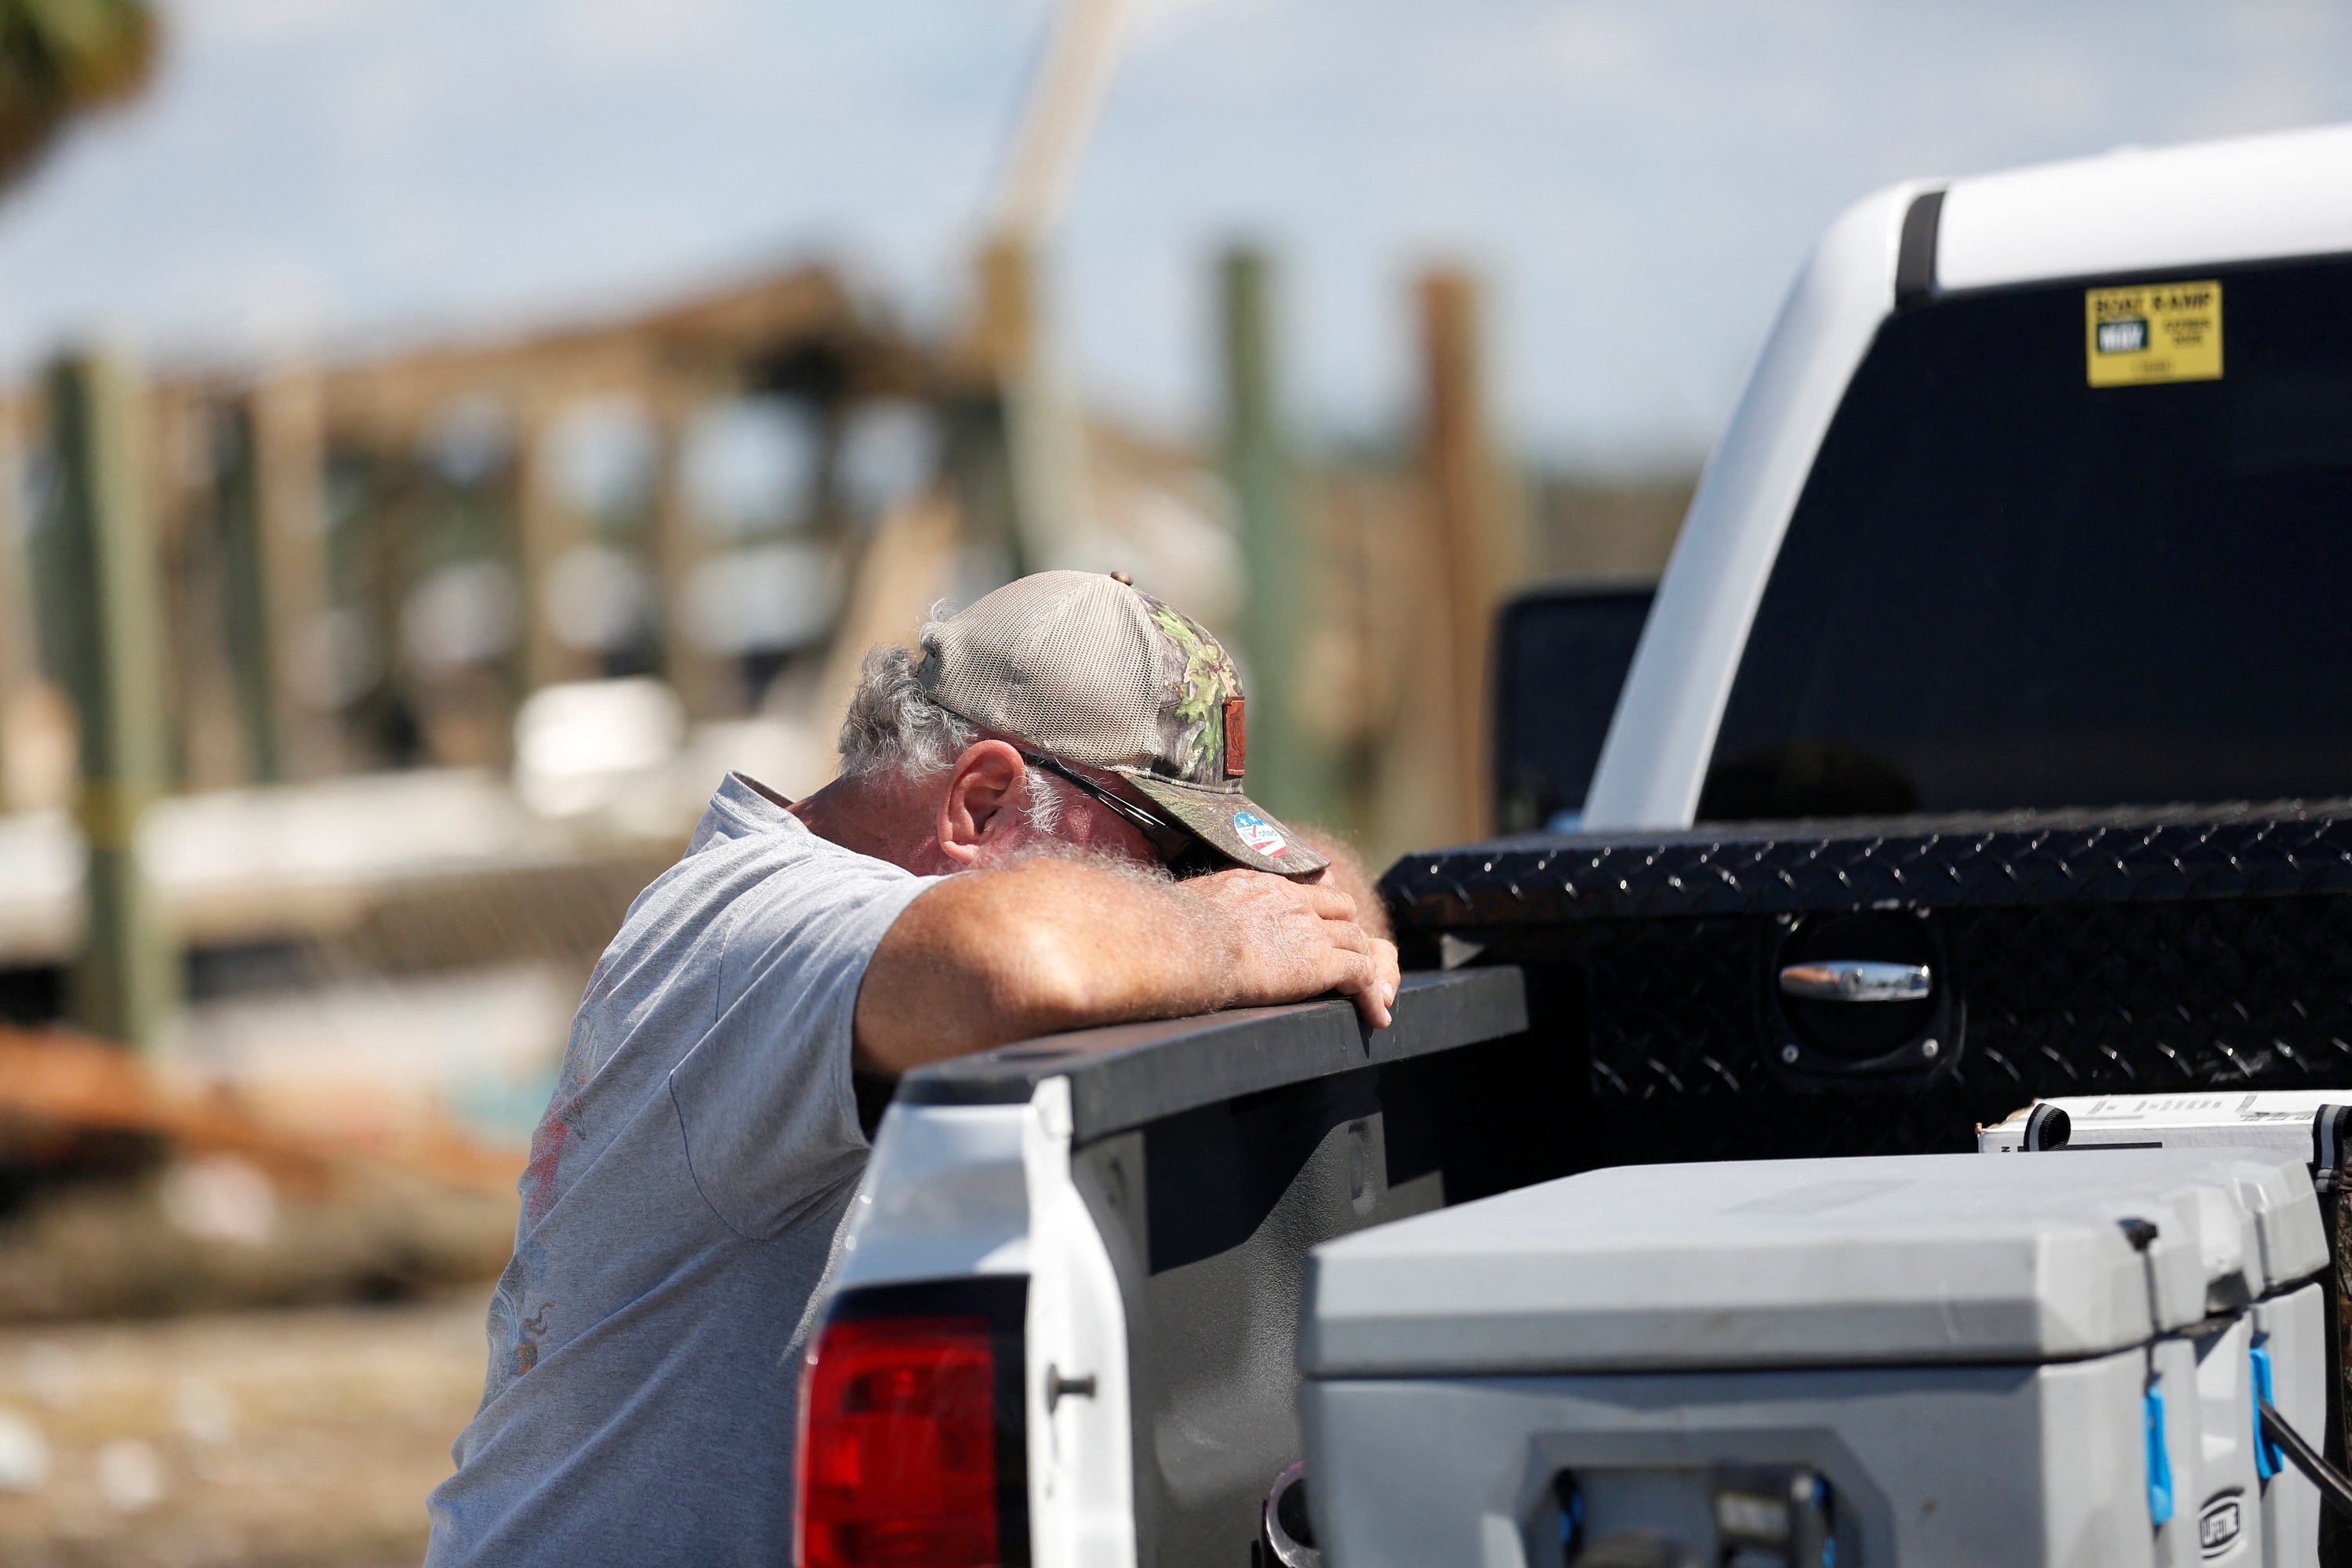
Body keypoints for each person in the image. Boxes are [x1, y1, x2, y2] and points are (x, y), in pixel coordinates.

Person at [424, 570, 1399, 1567]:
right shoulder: (761, 915)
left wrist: (1245, 907)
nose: (1182, 891)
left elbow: (1333, 910)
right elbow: (1021, 962)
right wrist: (1224, 940)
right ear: (980, 802)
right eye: (1163, 852)